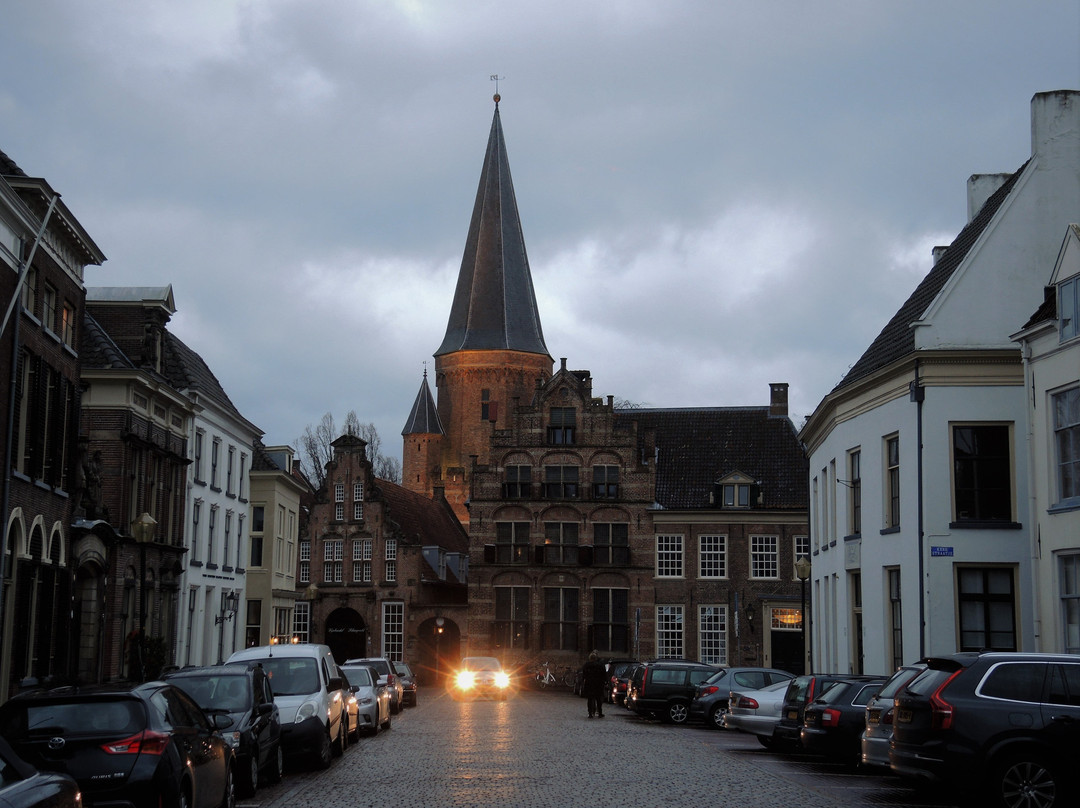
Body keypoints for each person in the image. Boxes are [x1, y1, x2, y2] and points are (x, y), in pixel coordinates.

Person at [581, 652, 608, 718]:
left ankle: (590, 713)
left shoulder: (586, 665)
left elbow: (584, 675)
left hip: (589, 684)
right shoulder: (600, 665)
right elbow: (604, 675)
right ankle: (600, 713)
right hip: (598, 684)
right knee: (598, 699)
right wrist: (604, 682)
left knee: (590, 699)